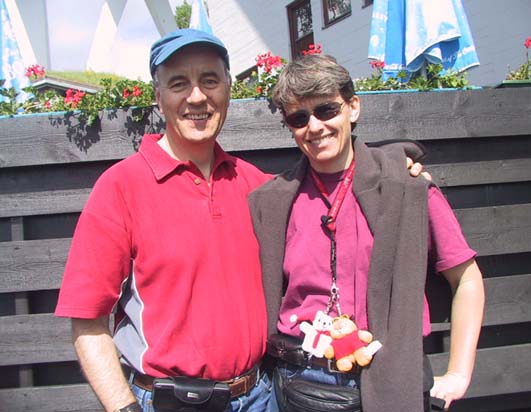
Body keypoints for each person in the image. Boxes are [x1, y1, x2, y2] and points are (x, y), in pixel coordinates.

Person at [55, 29, 427, 412]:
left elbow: (334, 183)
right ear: (158, 96)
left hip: (263, 396)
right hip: (168, 402)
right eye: (179, 83)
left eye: (210, 80)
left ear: (229, 89)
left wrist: (393, 168)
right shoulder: (120, 188)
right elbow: (87, 320)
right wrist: (124, 407)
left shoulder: (259, 188)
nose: (197, 96)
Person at [247, 54, 485, 412]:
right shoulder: (273, 200)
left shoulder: (407, 186)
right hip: (297, 383)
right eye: (298, 118)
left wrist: (459, 373)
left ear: (352, 108)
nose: (314, 127)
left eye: (326, 110)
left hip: (389, 381)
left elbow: (467, 279)